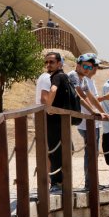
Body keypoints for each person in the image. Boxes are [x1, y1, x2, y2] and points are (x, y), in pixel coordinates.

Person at [68, 53, 109, 189]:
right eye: (85, 65)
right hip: (69, 118)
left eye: (90, 66)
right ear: (78, 64)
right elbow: (80, 97)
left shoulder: (84, 79)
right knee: (90, 152)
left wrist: (103, 112)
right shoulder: (73, 76)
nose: (88, 69)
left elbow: (90, 96)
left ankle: (91, 182)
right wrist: (94, 112)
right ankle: (89, 183)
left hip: (81, 119)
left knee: (92, 152)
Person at [40, 52, 72, 191]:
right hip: (63, 120)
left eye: (51, 62)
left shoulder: (57, 76)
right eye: (46, 62)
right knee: (63, 150)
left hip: (54, 120)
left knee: (54, 151)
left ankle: (56, 183)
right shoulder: (64, 76)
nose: (48, 65)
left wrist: (48, 108)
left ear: (59, 63)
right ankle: (63, 181)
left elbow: (52, 90)